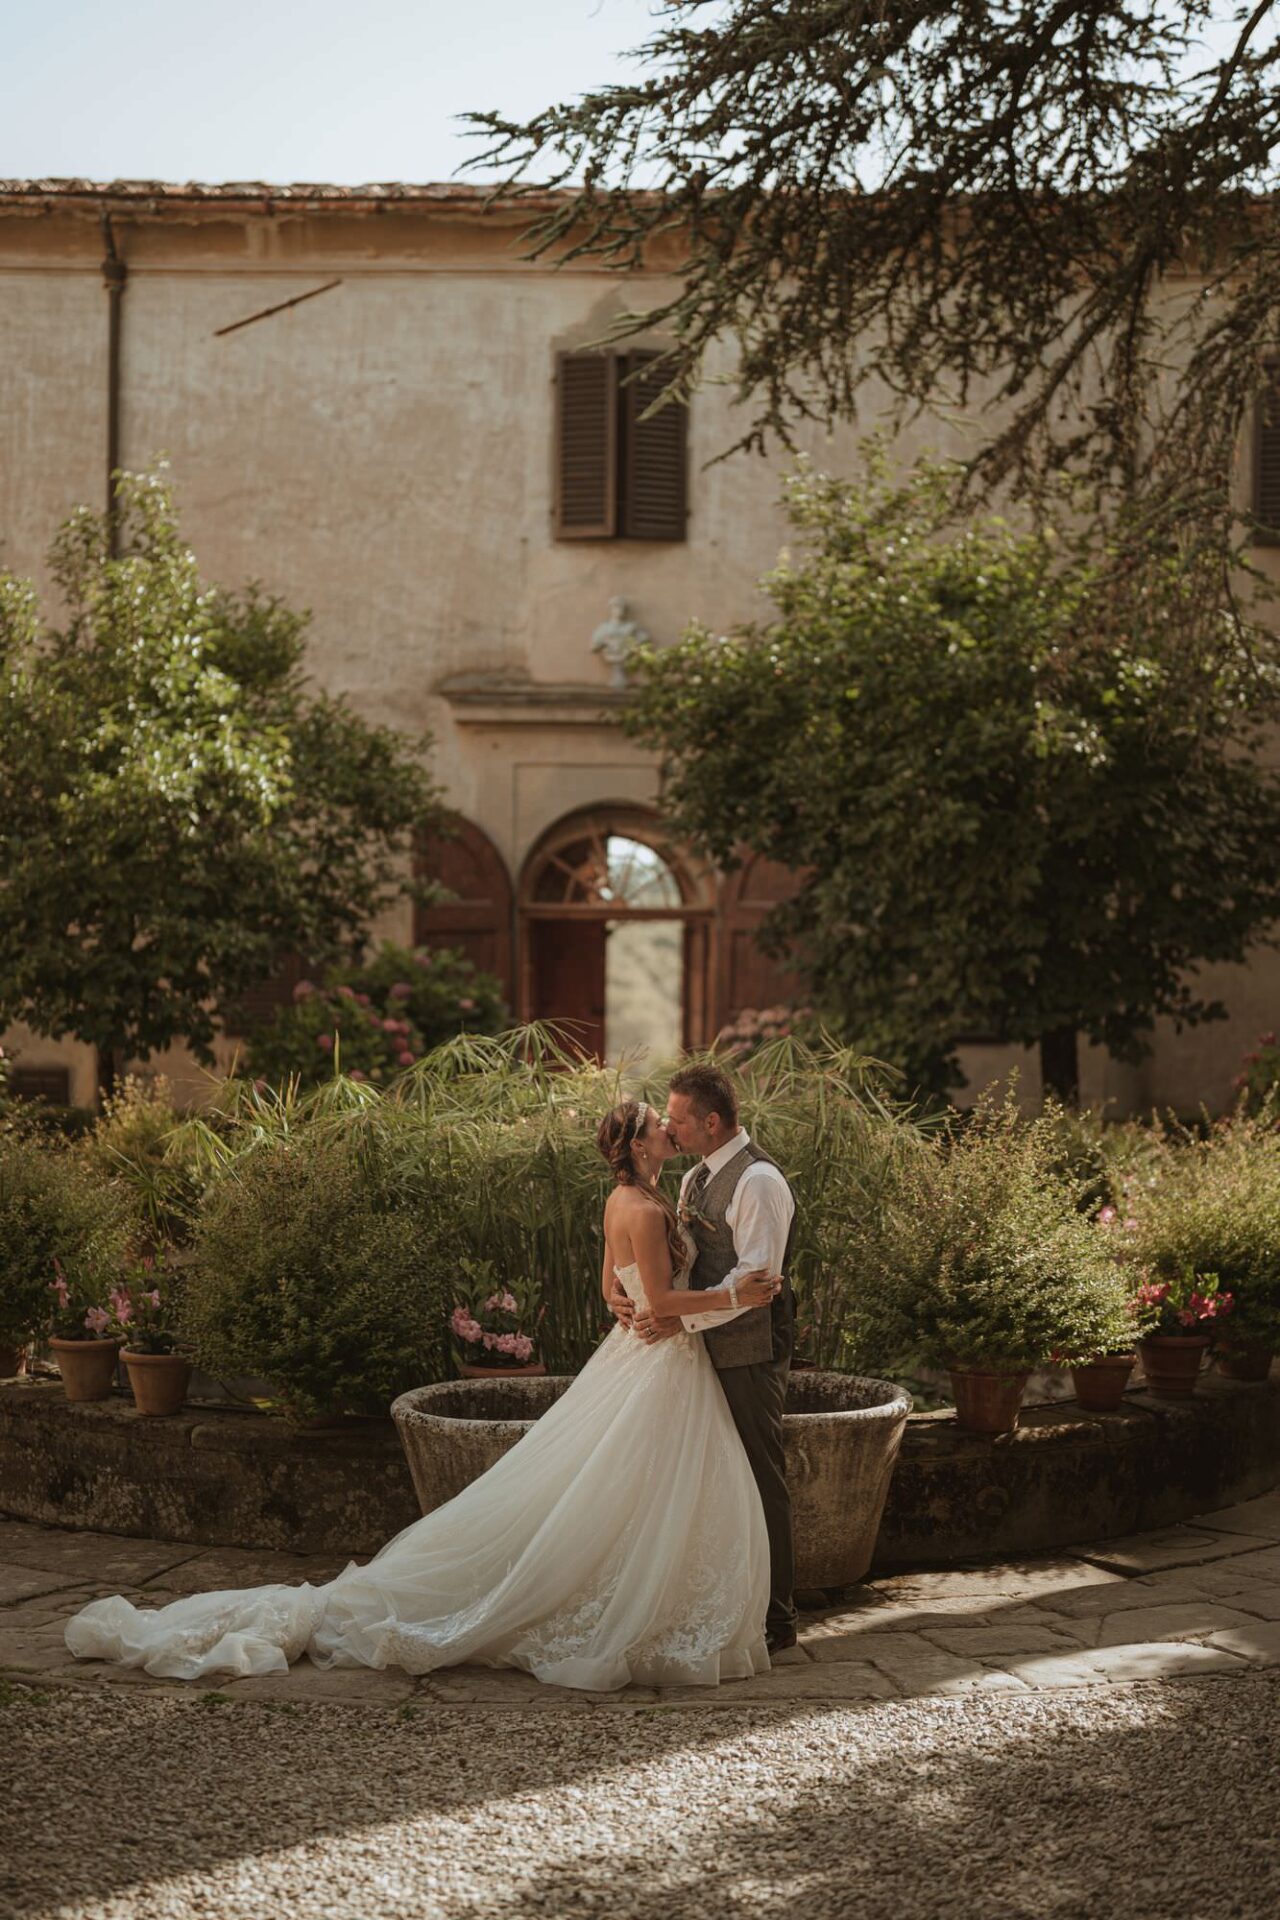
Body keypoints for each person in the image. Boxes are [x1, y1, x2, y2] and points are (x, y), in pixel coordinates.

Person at [63, 1098, 783, 1691]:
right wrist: (727, 1293)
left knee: (622, 1489)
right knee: (633, 1488)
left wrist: (628, 1308)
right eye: (660, 1121)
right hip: (659, 1364)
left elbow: (611, 1290)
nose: (669, 1126)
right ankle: (633, 1602)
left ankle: (642, 1592)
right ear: (642, 1143)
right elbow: (657, 1298)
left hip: (640, 1357)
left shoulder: (625, 1198)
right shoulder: (651, 1211)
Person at [609, 1064, 798, 1653]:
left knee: (759, 1474)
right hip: (689, 1350)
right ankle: (716, 1600)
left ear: (711, 1122)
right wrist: (627, 1296)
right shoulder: (691, 1180)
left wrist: (675, 1315)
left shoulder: (759, 1181)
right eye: (664, 1118)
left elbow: (756, 1280)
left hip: (747, 1348)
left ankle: (777, 1615)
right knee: (709, 1478)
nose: (671, 1125)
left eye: (680, 1119)